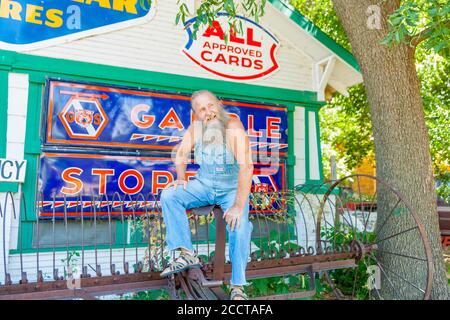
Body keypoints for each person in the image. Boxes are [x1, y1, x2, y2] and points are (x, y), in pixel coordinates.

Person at [159, 90, 254, 300]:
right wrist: (182, 177)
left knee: (240, 225)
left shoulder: (233, 127)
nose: (208, 112)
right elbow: (181, 153)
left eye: (210, 105)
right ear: (196, 115)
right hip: (204, 183)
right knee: (170, 195)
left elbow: (247, 167)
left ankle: (238, 287)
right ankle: (187, 254)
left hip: (231, 188)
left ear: (219, 104)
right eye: (201, 110)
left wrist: (238, 205)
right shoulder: (196, 129)